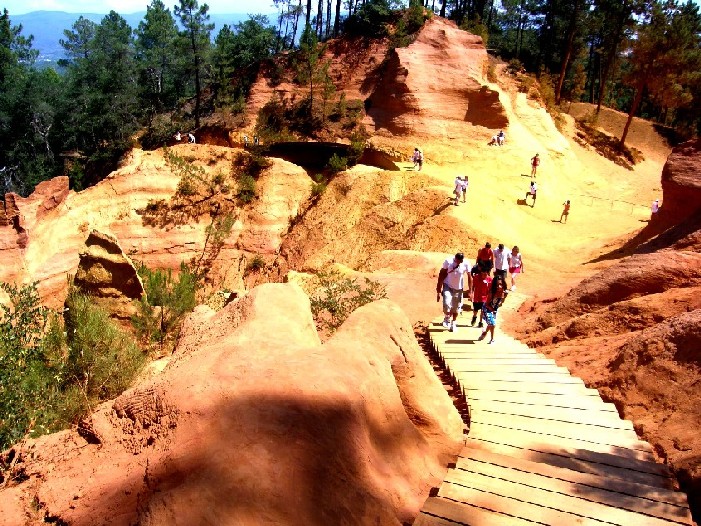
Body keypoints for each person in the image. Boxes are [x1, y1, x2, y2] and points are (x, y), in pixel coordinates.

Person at [436, 252, 471, 332]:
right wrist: (438, 290)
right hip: (447, 285)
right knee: (446, 303)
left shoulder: (466, 263)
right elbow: (441, 274)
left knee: (456, 307)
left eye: (460, 261)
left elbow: (470, 277)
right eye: (457, 261)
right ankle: (447, 317)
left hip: (458, 288)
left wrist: (470, 291)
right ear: (455, 259)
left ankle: (453, 322)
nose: (459, 262)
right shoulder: (448, 261)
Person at [478, 273, 508, 344]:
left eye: (500, 284)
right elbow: (487, 304)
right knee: (493, 324)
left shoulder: (504, 293)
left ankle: (485, 333)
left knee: (491, 324)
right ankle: (492, 339)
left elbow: (501, 303)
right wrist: (492, 310)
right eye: (497, 285)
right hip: (487, 309)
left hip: (494, 310)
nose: (499, 286)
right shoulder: (492, 292)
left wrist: (502, 301)